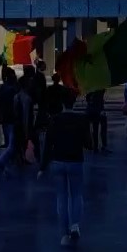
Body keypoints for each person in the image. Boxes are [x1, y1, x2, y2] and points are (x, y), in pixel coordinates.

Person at [46, 97, 88, 244]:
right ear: (74, 103)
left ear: (62, 104)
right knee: (76, 194)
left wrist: (43, 166)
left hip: (58, 160)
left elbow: (48, 143)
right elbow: (88, 143)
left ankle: (64, 234)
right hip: (75, 160)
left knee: (61, 197)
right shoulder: (81, 119)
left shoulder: (54, 120)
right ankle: (75, 224)